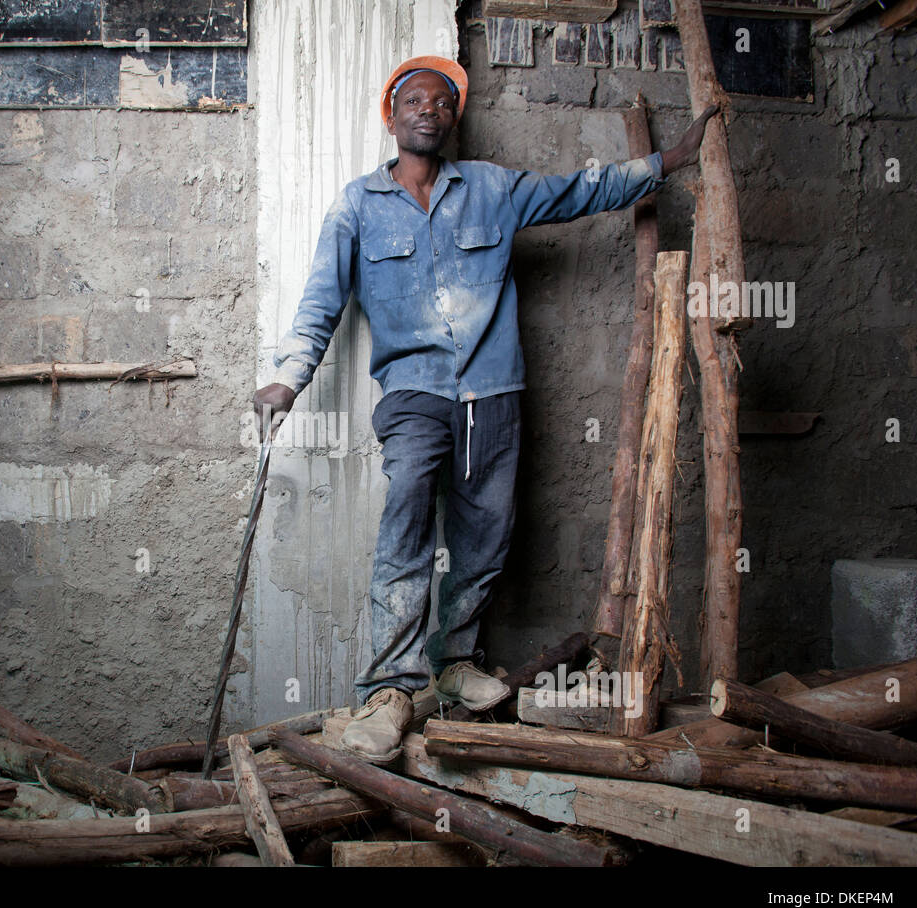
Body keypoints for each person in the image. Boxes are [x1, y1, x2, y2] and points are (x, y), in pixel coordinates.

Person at [252, 55, 716, 764]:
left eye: (441, 104)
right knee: (407, 520)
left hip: (494, 392)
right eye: (414, 102)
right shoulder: (356, 206)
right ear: (392, 115)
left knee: (487, 534)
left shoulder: (494, 189)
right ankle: (390, 688)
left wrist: (668, 160)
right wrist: (288, 379)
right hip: (414, 394)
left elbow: (579, 192)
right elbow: (321, 305)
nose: (427, 112)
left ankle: (455, 659)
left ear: (453, 119)